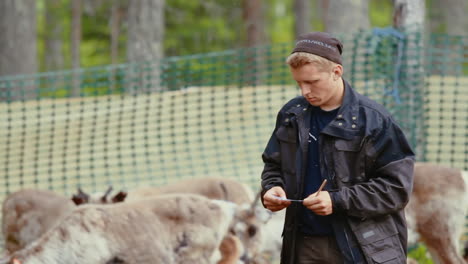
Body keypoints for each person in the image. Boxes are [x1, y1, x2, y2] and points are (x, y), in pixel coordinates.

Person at [260, 32, 415, 264]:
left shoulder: (374, 119)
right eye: (299, 83)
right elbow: (273, 165)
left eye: (312, 82)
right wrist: (272, 188)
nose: (304, 91)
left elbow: (396, 188)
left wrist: (338, 200)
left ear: (336, 72)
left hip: (364, 246)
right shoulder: (291, 115)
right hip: (302, 244)